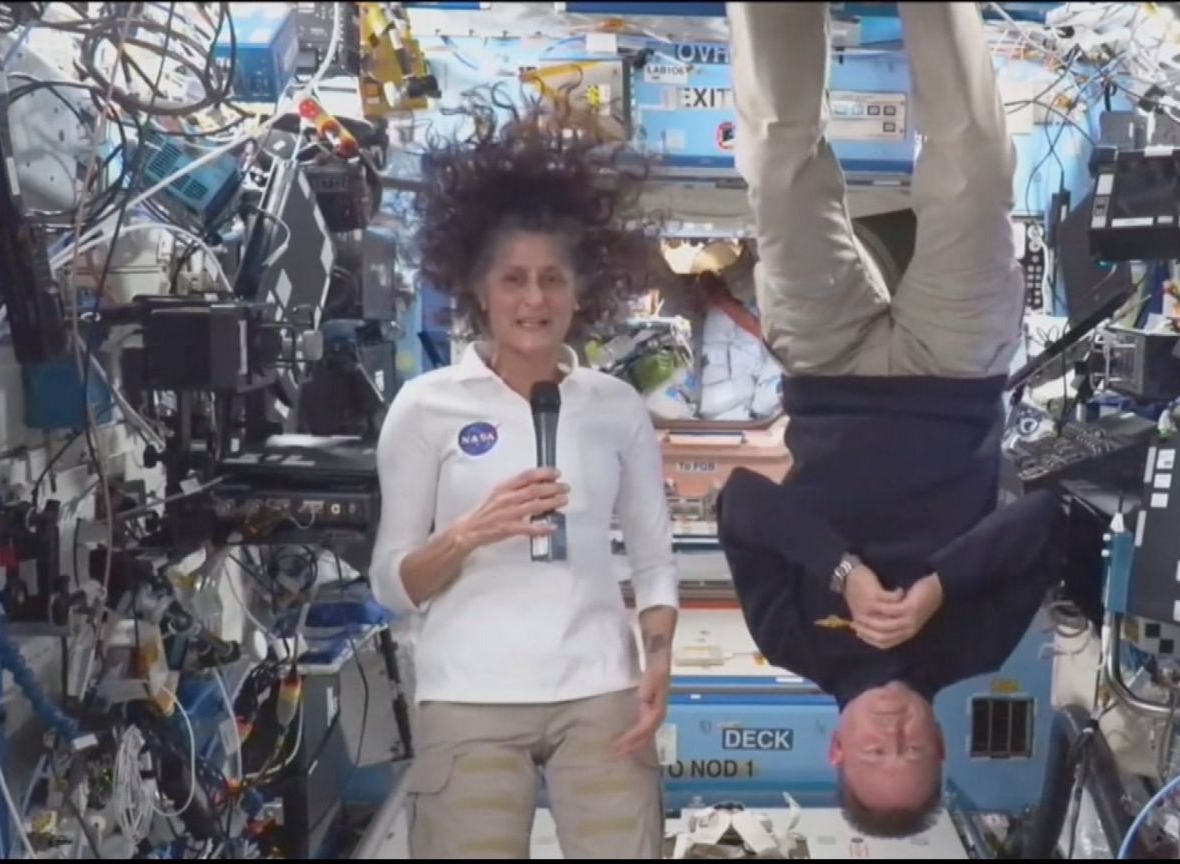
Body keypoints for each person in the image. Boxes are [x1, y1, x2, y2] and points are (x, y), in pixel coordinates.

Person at [717, 2, 1061, 840]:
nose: (895, 736)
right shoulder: (974, 645)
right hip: (957, 369)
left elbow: (738, 502)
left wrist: (841, 573)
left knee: (778, 166)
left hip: (824, 371)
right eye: (914, 751)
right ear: (942, 742)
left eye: (878, 754)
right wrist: (943, 582)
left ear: (838, 748)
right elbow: (1051, 522)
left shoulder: (791, 639)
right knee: (974, 167)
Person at [369, 106, 678, 859]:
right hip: (467, 693)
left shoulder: (615, 407)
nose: (533, 300)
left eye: (551, 280)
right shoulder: (425, 407)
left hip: (599, 690)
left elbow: (654, 559)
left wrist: (661, 655)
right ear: (478, 287)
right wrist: (471, 532)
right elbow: (390, 583)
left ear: (581, 293)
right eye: (513, 279)